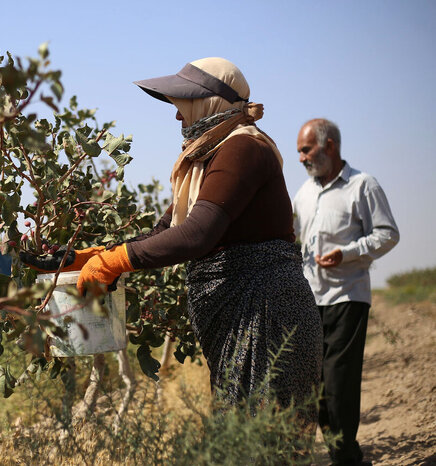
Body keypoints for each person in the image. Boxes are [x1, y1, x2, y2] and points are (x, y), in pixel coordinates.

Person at [24, 58, 323, 419]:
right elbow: (167, 231)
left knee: (260, 437)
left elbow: (198, 234)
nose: (178, 117)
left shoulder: (243, 148)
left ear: (210, 101)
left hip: (265, 312)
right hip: (245, 312)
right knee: (242, 434)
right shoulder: (209, 155)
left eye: (183, 104)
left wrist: (115, 262)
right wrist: (86, 258)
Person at [293, 118, 399, 465]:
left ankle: (345, 458)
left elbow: (387, 233)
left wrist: (347, 253)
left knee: (339, 386)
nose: (301, 158)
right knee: (314, 388)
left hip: (347, 297)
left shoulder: (362, 185)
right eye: (299, 151)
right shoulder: (303, 193)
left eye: (306, 150)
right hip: (310, 301)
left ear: (330, 146)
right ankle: (346, 457)